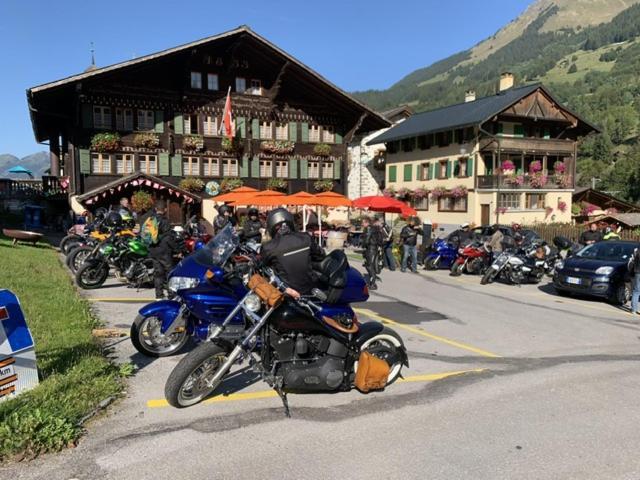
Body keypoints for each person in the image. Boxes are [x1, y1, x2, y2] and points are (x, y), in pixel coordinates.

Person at [261, 208, 325, 298]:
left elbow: (261, 265)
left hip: (287, 293)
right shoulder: (306, 238)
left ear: (271, 225)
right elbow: (320, 255)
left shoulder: (269, 247)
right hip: (311, 290)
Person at [144, 201, 176, 299]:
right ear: (165, 210)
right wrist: (175, 249)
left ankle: (158, 295)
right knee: (169, 272)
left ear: (156, 209)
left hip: (153, 250)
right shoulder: (164, 221)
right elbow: (168, 238)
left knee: (158, 273)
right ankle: (171, 294)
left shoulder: (151, 220)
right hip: (164, 250)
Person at [361, 217, 383, 289]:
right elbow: (380, 239)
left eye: (363, 222)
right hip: (375, 248)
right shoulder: (376, 228)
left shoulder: (369, 228)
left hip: (370, 249)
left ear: (367, 222)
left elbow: (367, 239)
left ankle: (372, 283)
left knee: (369, 265)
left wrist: (363, 245)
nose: (362, 224)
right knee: (371, 265)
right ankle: (372, 282)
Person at [629, 246, 640, 315]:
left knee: (636, 291)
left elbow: (632, 261)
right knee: (637, 291)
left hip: (637, 272)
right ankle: (634, 309)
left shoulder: (636, 251)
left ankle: (634, 309)